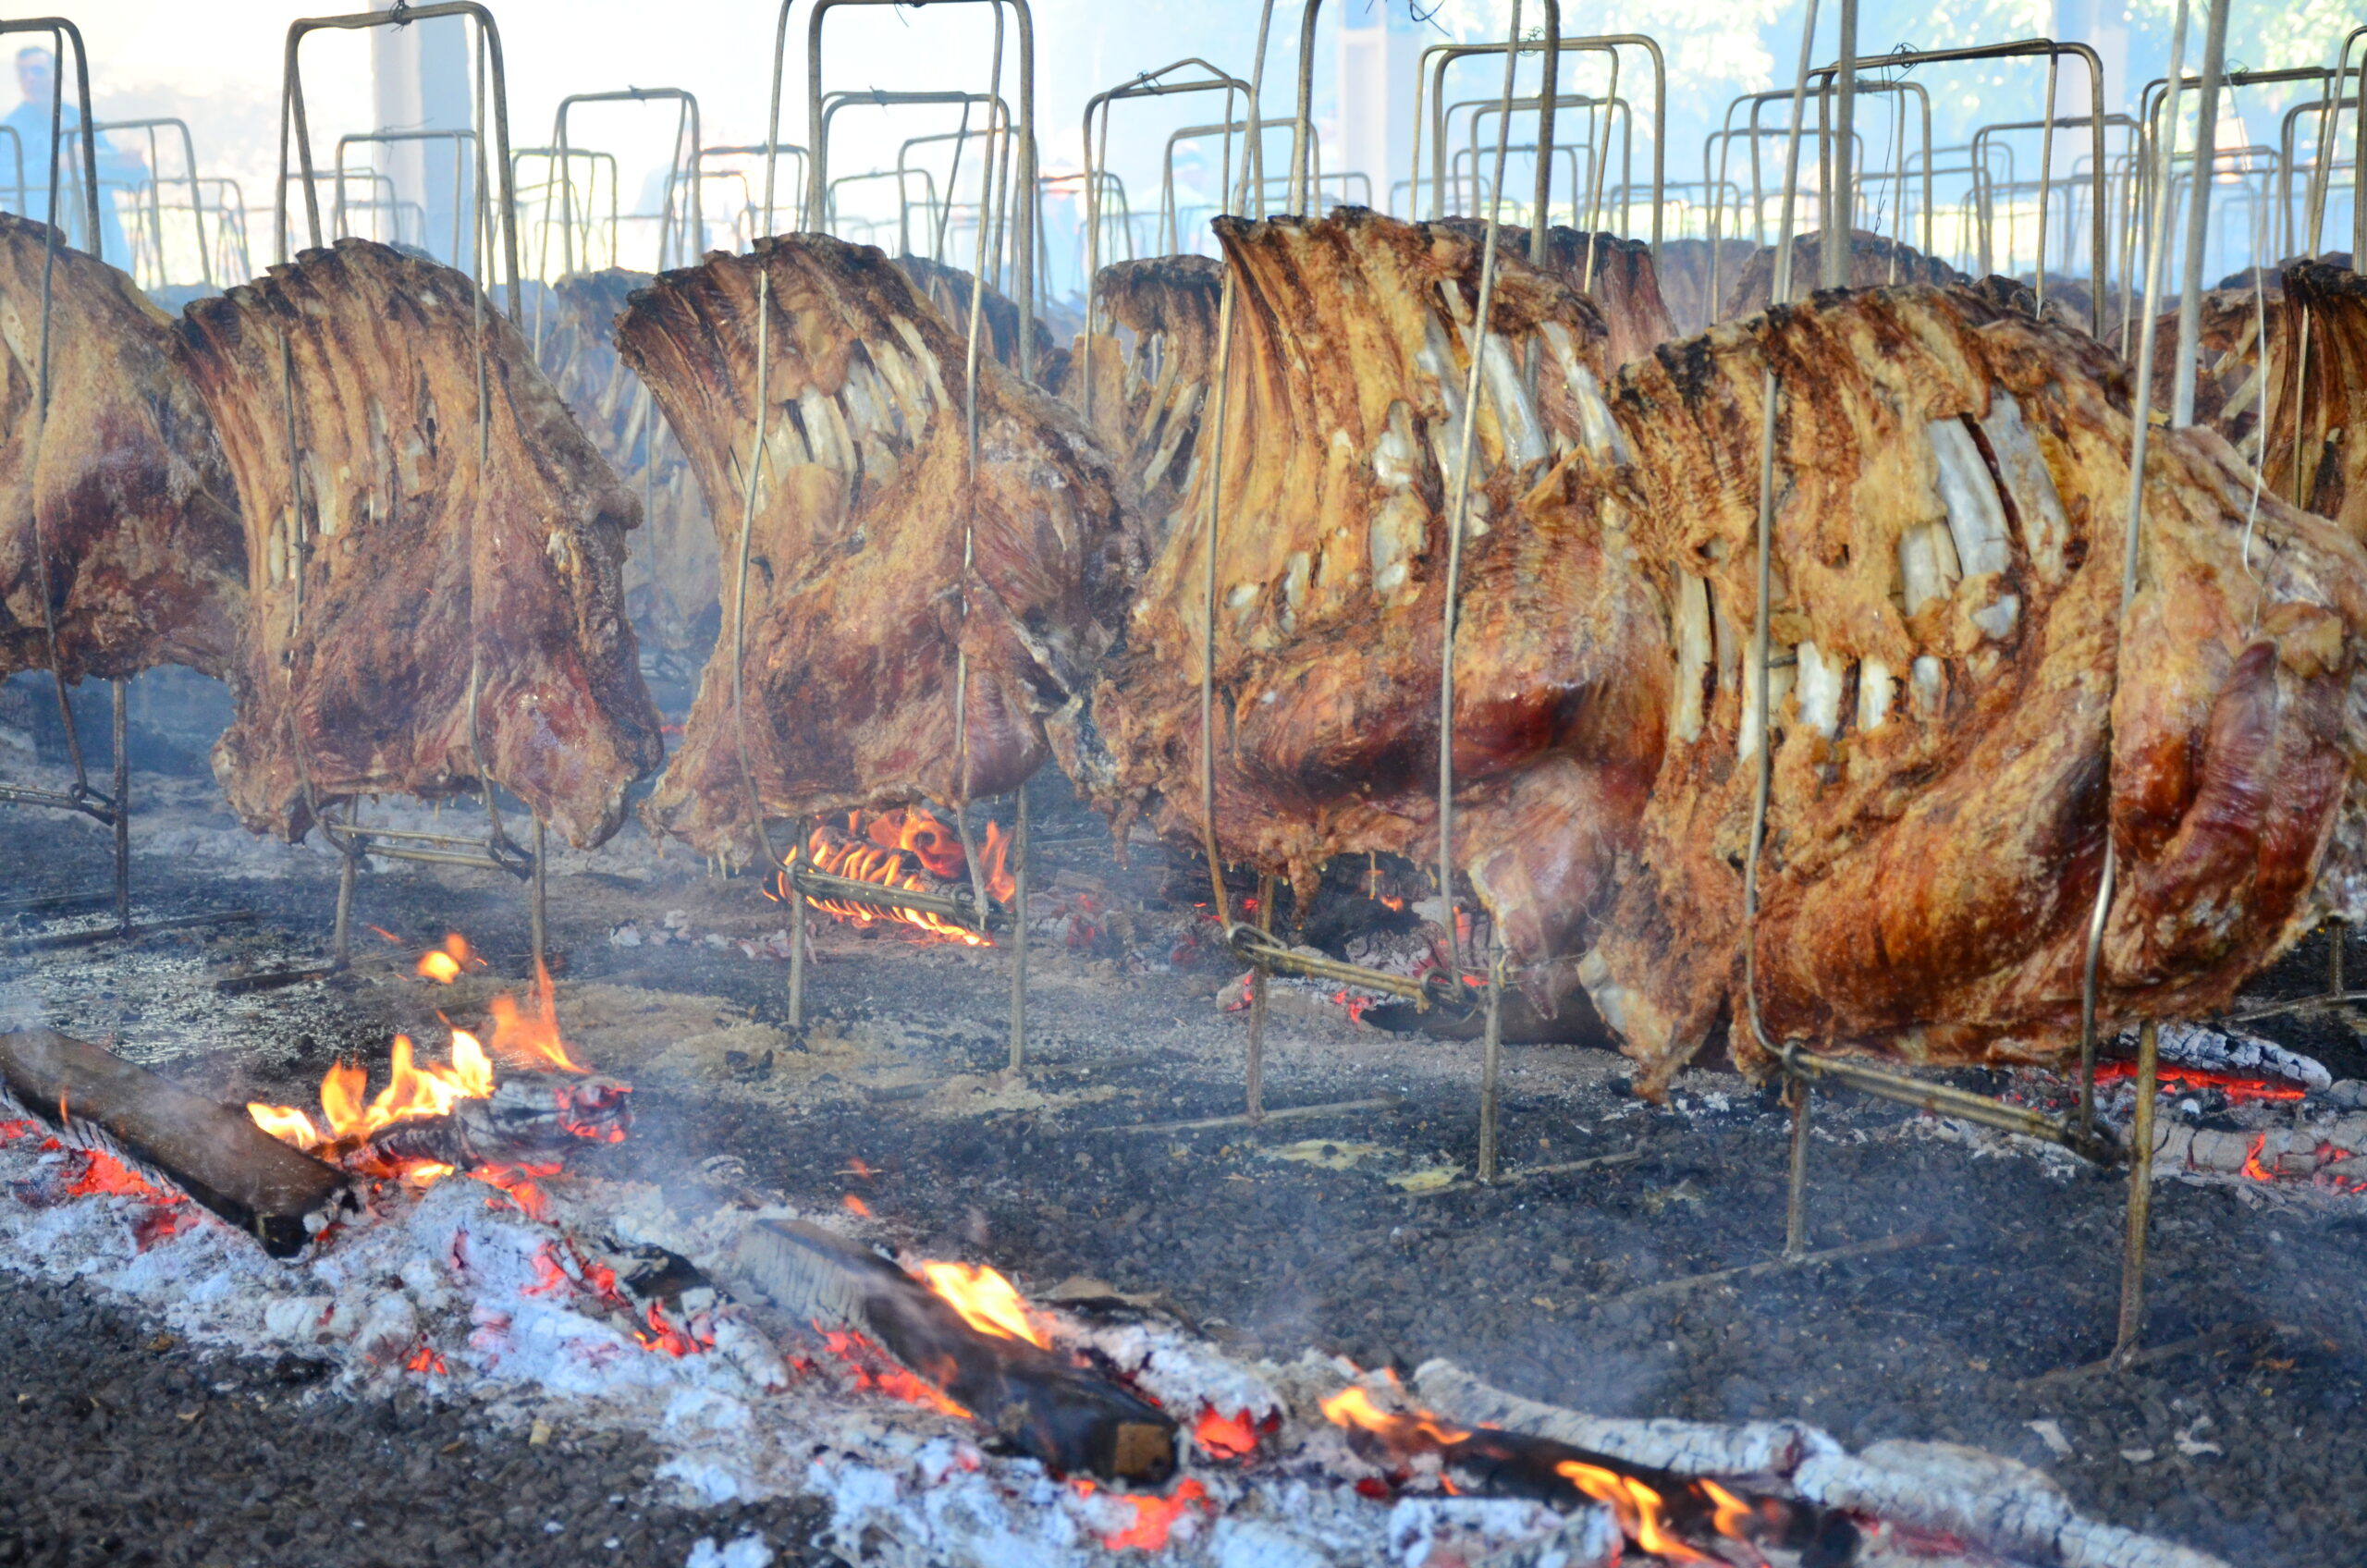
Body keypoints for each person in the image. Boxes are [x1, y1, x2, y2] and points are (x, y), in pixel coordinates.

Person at [2, 46, 141, 267]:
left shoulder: (82, 120)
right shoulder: (10, 130)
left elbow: (120, 171)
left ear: (57, 74)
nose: (30, 79)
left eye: (38, 71)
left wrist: (131, 165)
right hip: (47, 240)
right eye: (23, 72)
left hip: (101, 233)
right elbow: (4, 179)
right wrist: (59, 165)